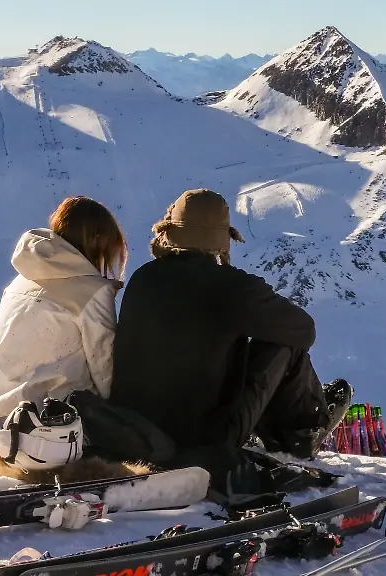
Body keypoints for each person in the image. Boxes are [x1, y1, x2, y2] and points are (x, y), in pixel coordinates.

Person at [110, 189, 352, 495]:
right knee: (282, 342)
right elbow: (304, 330)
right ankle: (302, 433)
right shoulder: (233, 287)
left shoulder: (142, 278)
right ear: (222, 239)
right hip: (202, 440)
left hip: (135, 432)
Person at [0, 196, 173, 476]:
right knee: (154, 445)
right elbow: (106, 369)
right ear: (99, 240)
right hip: (48, 419)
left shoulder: (20, 279)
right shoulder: (91, 291)